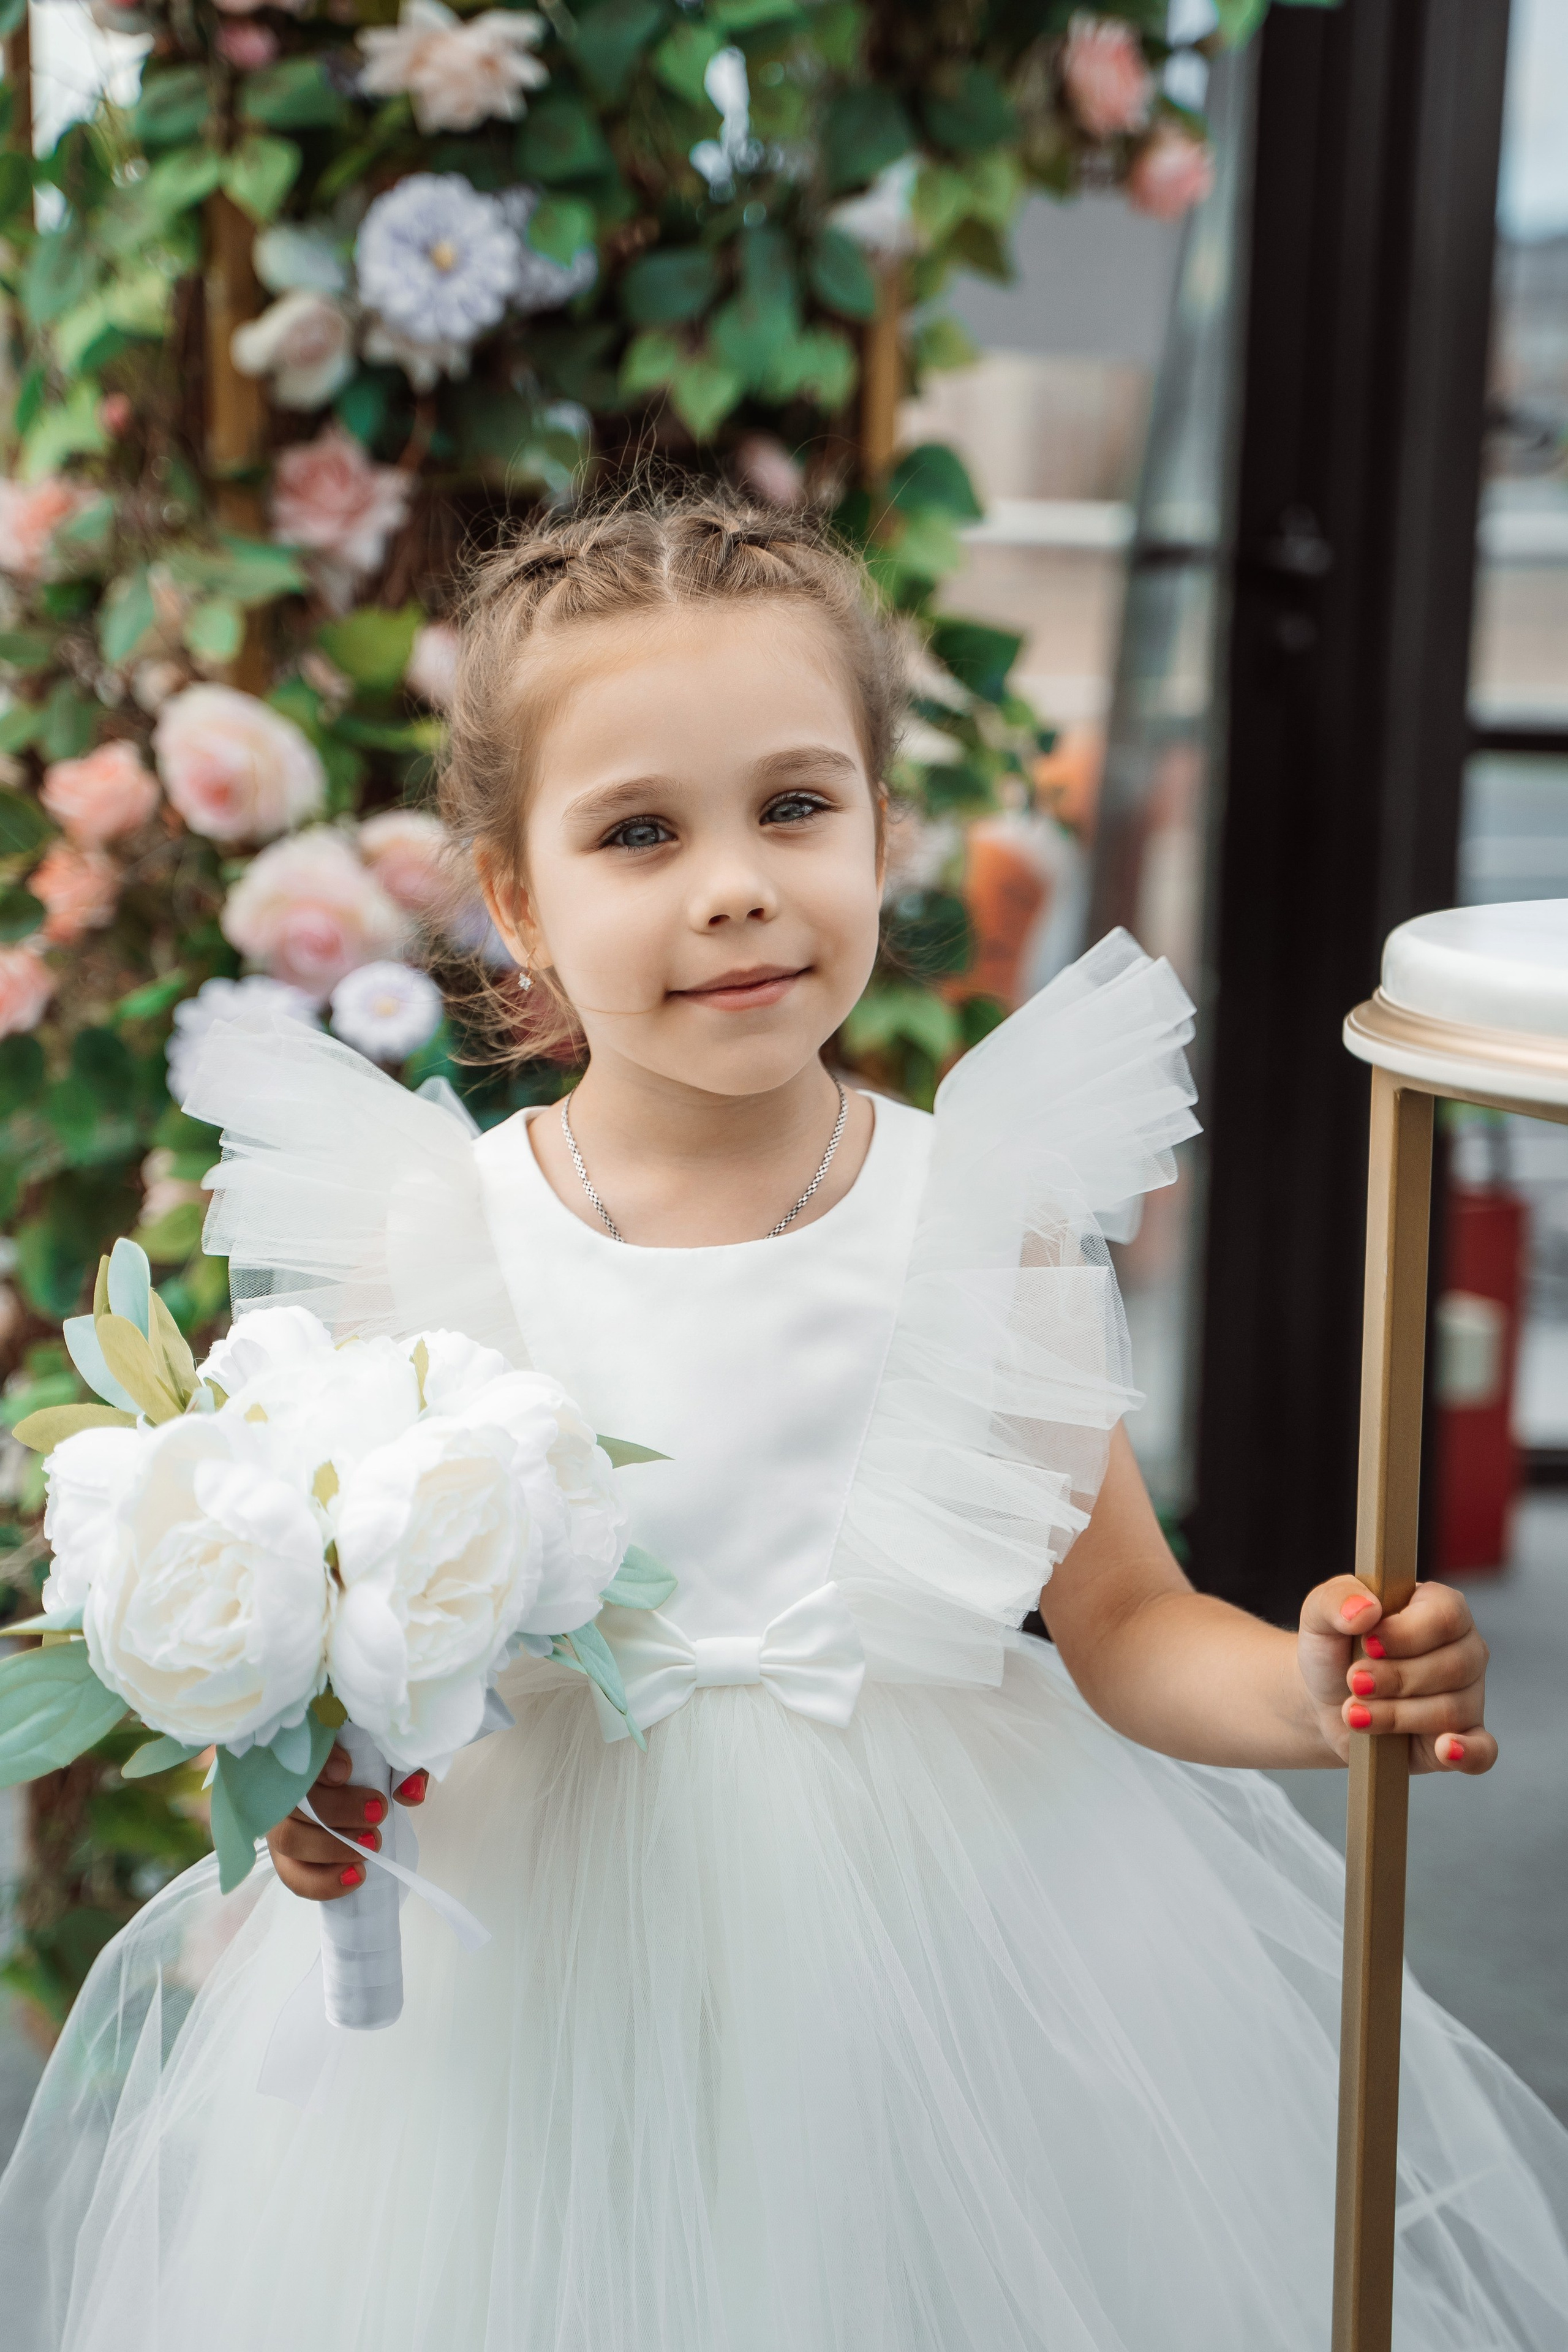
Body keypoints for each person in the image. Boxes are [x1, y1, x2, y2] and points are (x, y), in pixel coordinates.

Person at [3, 486, 1566, 2351]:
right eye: (642, 832)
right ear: (519, 899)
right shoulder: (426, 1237)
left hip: (942, 1965)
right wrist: (324, 1812)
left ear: (887, 834)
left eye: (796, 807)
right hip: (545, 1996)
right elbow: (370, 1671)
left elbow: (1128, 1621)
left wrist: (1314, 1692)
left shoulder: (978, 1210)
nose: (734, 881)